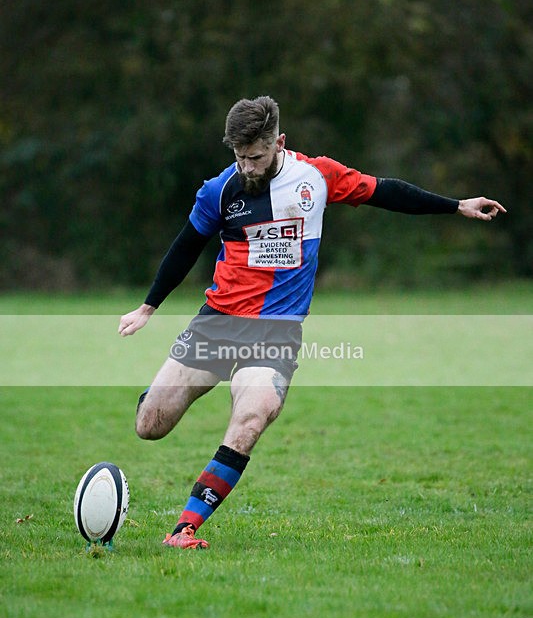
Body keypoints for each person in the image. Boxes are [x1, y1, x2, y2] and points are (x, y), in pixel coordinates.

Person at [118, 95, 506, 549]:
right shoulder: (219, 190)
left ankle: (185, 528)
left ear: (279, 143)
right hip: (219, 324)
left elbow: (386, 191)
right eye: (239, 157)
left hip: (277, 332)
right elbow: (187, 245)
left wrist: (455, 205)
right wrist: (148, 307)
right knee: (151, 425)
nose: (247, 166)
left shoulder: (317, 176)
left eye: (256, 156)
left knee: (251, 418)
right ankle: (160, 392)